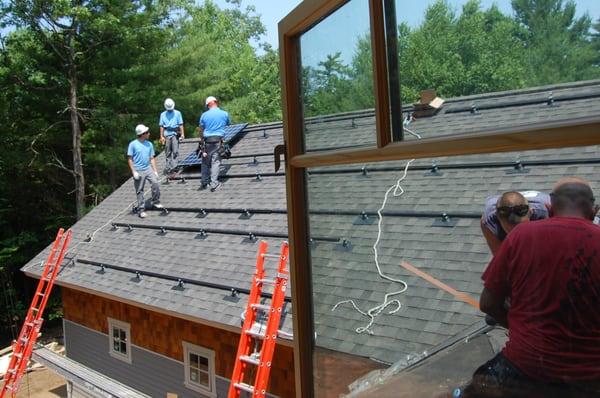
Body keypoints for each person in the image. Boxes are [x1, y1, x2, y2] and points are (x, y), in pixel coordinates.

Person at [461, 177, 600, 398]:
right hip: (589, 379)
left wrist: (519, 329)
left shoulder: (521, 235)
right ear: (594, 211)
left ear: (549, 208)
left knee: (470, 390)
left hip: (526, 367)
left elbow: (488, 303)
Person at [481, 190, 550, 255]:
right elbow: (500, 260)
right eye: (511, 232)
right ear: (497, 217)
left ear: (530, 212)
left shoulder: (545, 212)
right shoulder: (489, 219)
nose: (517, 237)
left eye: (522, 230)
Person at [127, 124, 163, 218]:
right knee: (140, 190)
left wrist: (155, 171)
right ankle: (141, 209)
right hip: (138, 170)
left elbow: (152, 158)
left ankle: (155, 201)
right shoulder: (133, 144)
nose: (149, 133)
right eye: (147, 132)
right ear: (142, 134)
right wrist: (133, 172)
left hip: (148, 168)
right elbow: (130, 159)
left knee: (155, 183)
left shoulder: (149, 144)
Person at [198, 96, 229, 192]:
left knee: (205, 162)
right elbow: (227, 124)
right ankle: (214, 184)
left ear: (209, 104)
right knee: (215, 162)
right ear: (215, 102)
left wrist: (202, 140)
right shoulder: (224, 114)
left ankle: (204, 182)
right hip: (218, 141)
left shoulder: (204, 115)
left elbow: (201, 129)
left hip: (207, 141)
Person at [159, 98, 184, 176]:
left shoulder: (178, 113)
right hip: (167, 134)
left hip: (175, 133)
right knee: (168, 152)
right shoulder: (163, 114)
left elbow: (180, 124)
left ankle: (175, 167)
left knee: (175, 151)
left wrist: (182, 134)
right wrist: (161, 136)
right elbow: (161, 126)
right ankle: (169, 168)